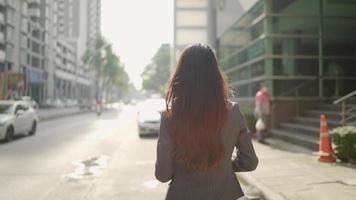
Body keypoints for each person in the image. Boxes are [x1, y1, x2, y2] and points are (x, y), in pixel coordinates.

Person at [155, 44, 258, 200]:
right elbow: (250, 162)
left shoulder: (169, 117)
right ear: (215, 74)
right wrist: (222, 166)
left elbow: (163, 175)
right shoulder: (232, 112)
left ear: (180, 75)